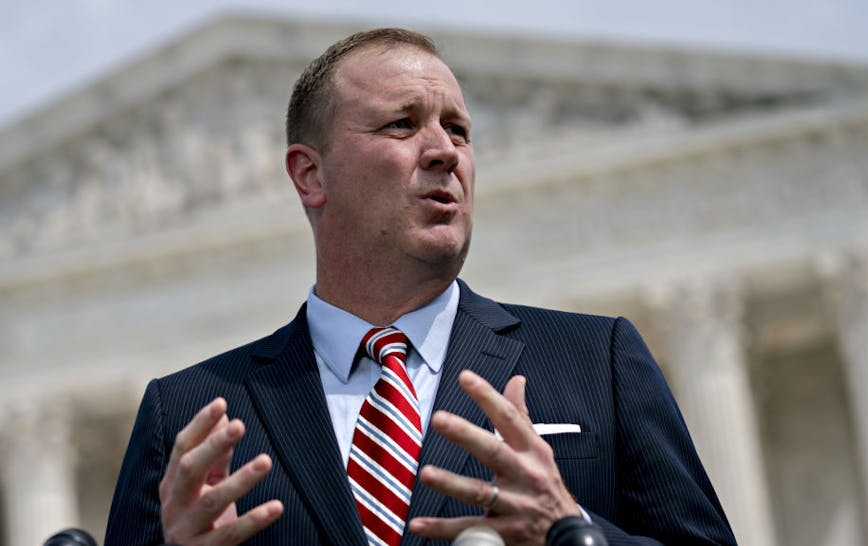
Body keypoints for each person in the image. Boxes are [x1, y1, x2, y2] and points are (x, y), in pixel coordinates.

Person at [105, 28, 736, 546]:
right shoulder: (187, 414)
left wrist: (570, 532)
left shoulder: (597, 363)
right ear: (310, 175)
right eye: (403, 125)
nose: (445, 152)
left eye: (458, 130)